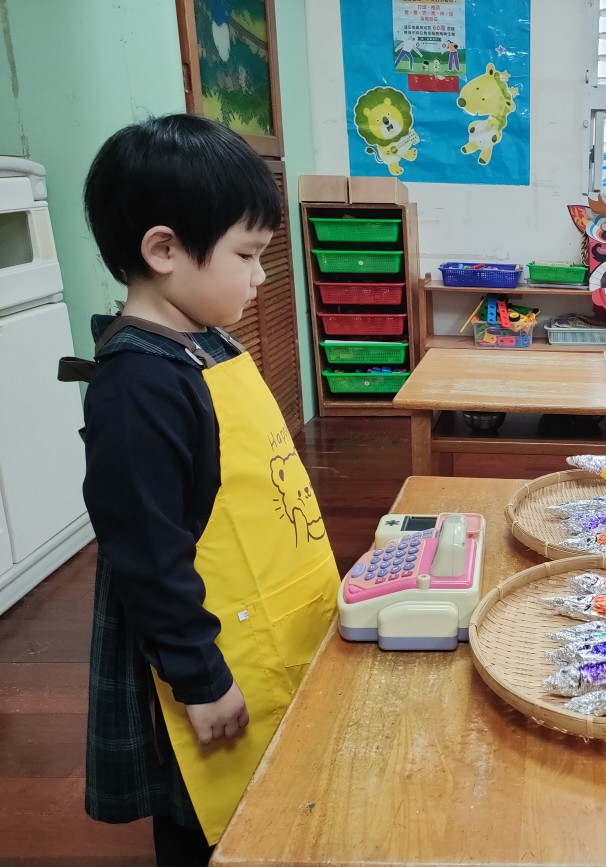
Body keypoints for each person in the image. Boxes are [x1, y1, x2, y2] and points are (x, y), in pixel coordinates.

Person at [67, 114, 338, 867]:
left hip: (265, 623)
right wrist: (199, 677)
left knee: (278, 787)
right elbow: (147, 554)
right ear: (163, 251)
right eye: (246, 255)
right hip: (199, 651)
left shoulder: (205, 341)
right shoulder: (138, 386)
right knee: (208, 811)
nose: (260, 277)